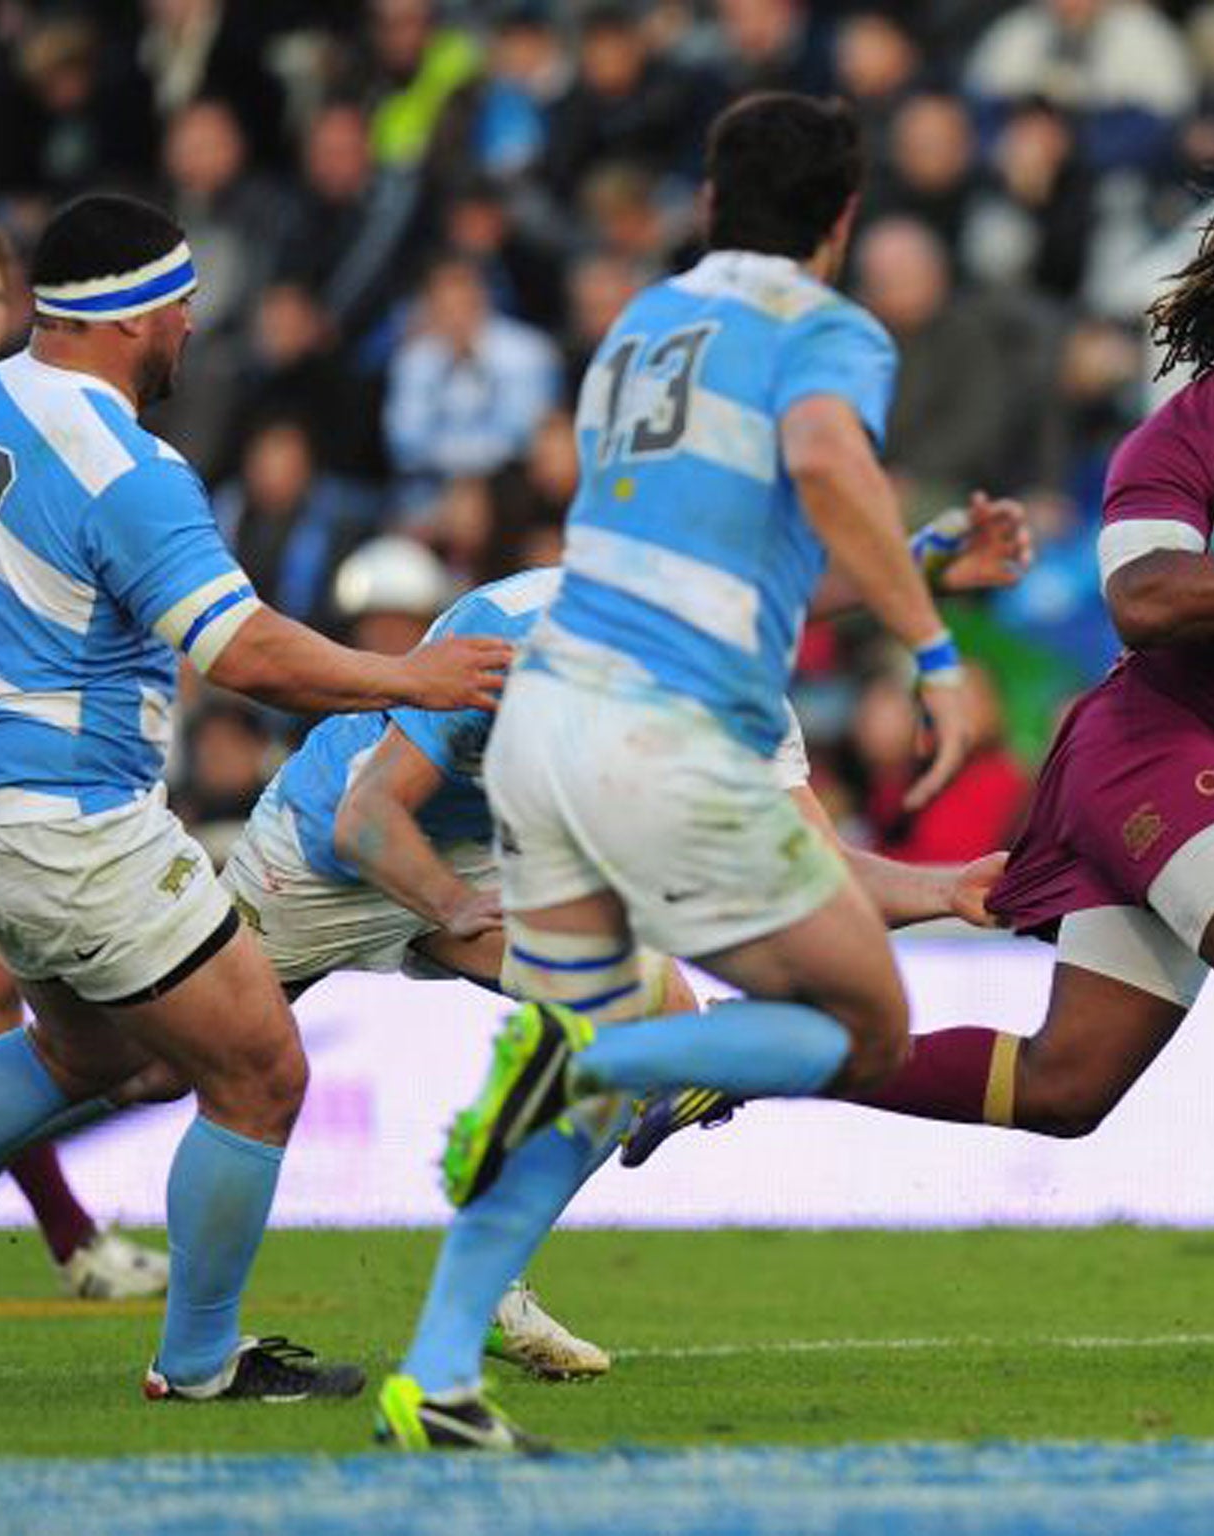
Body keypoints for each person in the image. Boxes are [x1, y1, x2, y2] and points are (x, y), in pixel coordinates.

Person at [631, 162, 1214, 1398]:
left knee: (1066, 1087)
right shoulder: (1179, 437)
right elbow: (1140, 605)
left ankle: (752, 1050)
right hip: (1149, 753)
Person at [372, 93, 984, 1451]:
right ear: (841, 220)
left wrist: (921, 553)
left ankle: (438, 1379)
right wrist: (933, 649)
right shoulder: (826, 329)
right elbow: (824, 459)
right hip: (668, 736)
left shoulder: (642, 328)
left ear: (708, 205)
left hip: (548, 726)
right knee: (864, 1027)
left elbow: (733, 536)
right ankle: (605, 1064)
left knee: (572, 1082)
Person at [0, 192, 508, 1403]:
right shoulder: (129, 467)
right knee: (261, 1071)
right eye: (185, 309)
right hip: (72, 820)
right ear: (137, 316)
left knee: (77, 1047)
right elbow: (242, 651)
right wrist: (407, 672)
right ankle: (201, 1358)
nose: (194, 331)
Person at [0, 202, 170, 1299]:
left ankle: (70, 1238)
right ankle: (74, 1241)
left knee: (27, 1019)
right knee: (20, 1015)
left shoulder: (2, 423)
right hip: (1, 781)